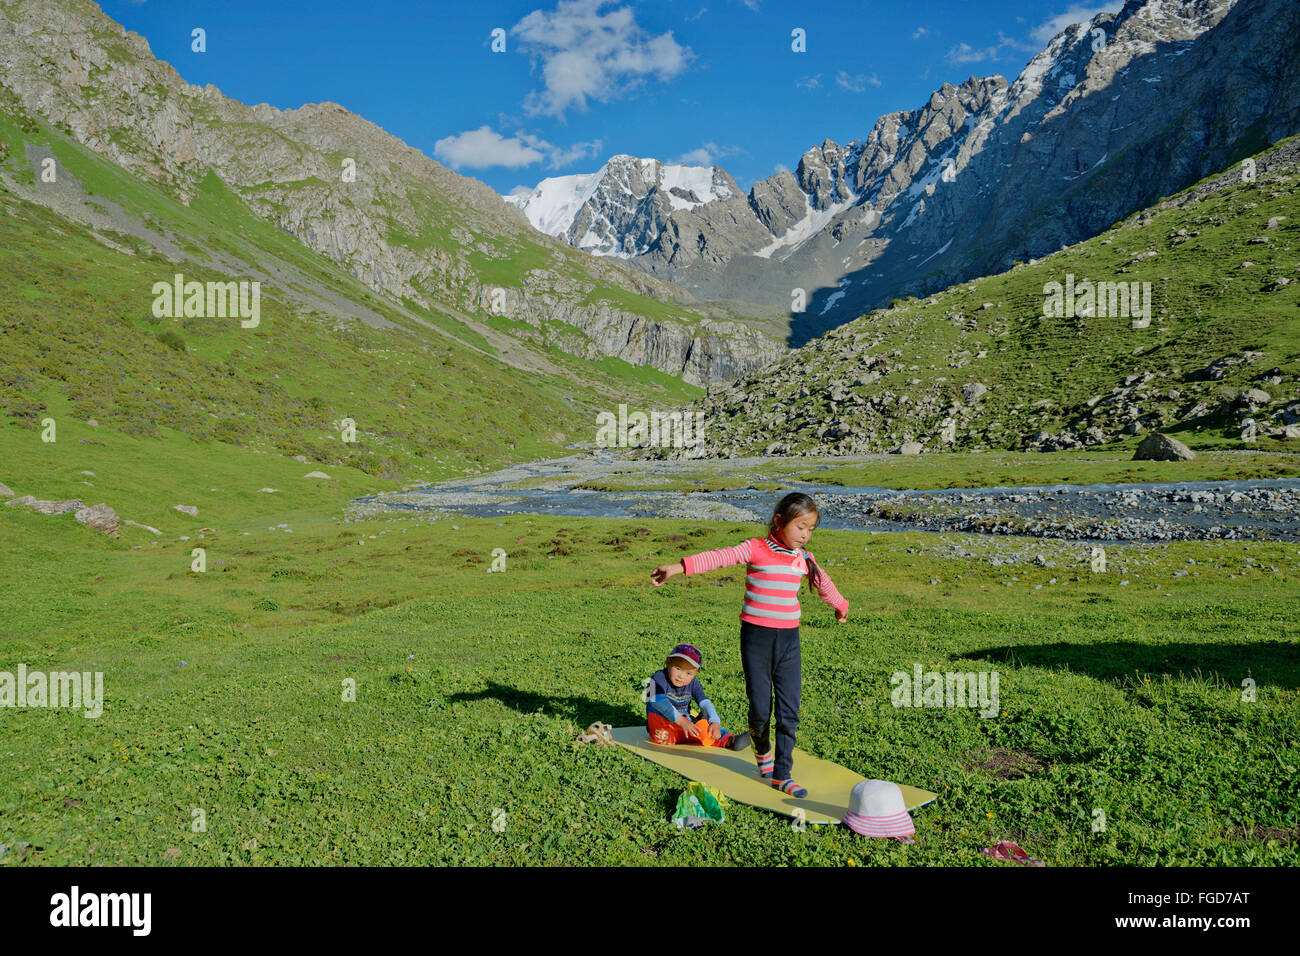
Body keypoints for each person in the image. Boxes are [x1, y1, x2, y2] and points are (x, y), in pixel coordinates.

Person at [651, 493, 848, 798]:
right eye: (801, 527)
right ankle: (762, 751)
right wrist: (677, 568)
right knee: (759, 707)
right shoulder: (755, 548)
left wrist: (841, 605)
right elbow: (718, 557)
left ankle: (782, 772)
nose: (806, 535)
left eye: (811, 529)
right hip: (756, 639)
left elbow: (823, 583)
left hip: (788, 642)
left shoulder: (803, 558)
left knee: (789, 709)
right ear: (780, 522)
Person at [645, 643, 751, 750]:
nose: (681, 676)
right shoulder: (658, 677)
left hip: (685, 729)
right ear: (668, 662)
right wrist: (681, 721)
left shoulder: (693, 683)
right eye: (678, 668)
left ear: (696, 673)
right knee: (672, 715)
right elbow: (656, 700)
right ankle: (697, 727)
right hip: (663, 731)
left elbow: (705, 702)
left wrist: (714, 722)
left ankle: (728, 740)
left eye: (688, 673)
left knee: (706, 730)